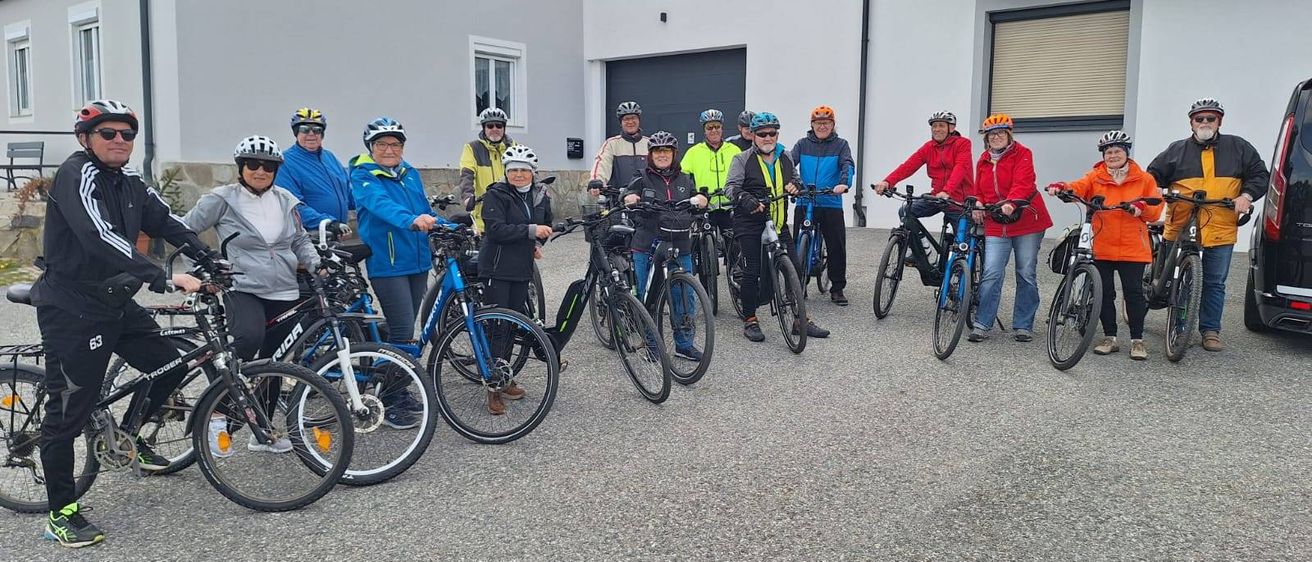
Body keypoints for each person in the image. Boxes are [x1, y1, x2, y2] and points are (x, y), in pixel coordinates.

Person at [31, 99, 214, 548]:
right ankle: (62, 512)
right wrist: (161, 275)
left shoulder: (130, 182)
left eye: (126, 135)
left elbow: (166, 220)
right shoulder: (78, 174)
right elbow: (98, 236)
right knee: (68, 413)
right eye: (107, 134)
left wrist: (209, 257)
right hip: (72, 307)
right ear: (84, 139)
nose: (118, 141)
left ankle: (127, 440)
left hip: (114, 300)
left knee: (171, 365)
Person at [1146, 97, 1269, 352]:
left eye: (1210, 118)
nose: (1204, 122)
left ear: (1219, 121)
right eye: (1199, 118)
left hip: (1220, 224)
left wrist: (1245, 196)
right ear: (1191, 122)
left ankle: (1210, 330)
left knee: (1214, 282)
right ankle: (1162, 305)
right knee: (1169, 277)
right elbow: (1151, 175)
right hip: (1181, 221)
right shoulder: (1176, 150)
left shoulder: (1239, 147)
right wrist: (1157, 189)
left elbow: (1260, 175)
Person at [1046, 131, 1164, 360]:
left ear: (1126, 153)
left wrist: (1141, 207)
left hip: (1133, 247)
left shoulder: (1144, 179)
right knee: (1104, 293)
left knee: (1134, 294)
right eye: (1108, 152)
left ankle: (1137, 340)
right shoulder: (1096, 176)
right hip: (1103, 244)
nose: (1112, 155)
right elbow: (1078, 187)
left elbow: (1155, 210)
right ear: (1103, 155)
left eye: (1117, 151)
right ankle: (1110, 337)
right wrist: (1061, 187)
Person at [724, 111, 830, 343]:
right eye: (762, 134)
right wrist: (746, 199)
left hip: (778, 223)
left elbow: (795, 178)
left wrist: (796, 185)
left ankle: (799, 319)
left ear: (777, 134)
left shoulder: (785, 156)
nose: (767, 137)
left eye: (772, 133)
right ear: (753, 135)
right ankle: (750, 319)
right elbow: (730, 187)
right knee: (752, 272)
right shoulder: (742, 159)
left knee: (795, 267)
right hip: (750, 224)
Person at [349, 117, 436, 362]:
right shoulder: (363, 175)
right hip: (389, 263)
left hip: (417, 261)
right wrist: (411, 220)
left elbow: (425, 209)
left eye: (395, 144)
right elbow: (381, 204)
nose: (389, 150)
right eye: (381, 144)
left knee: (404, 327)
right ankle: (393, 392)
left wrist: (449, 225)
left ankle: (381, 376)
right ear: (371, 147)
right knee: (403, 331)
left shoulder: (409, 173)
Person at [478, 145, 551, 415]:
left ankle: (504, 377)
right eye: (514, 170)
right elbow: (495, 230)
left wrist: (537, 240)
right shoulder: (496, 194)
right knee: (497, 328)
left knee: (512, 327)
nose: (519, 175)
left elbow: (546, 223)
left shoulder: (538, 195)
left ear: (533, 173)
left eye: (524, 170)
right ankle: (492, 389)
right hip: (497, 269)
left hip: (522, 269)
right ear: (506, 172)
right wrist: (531, 231)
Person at [968, 113, 1053, 343]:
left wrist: (1011, 202)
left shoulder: (1023, 154)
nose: (995, 137)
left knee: (1025, 272)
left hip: (1026, 219)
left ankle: (1023, 325)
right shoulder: (983, 159)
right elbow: (980, 189)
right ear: (986, 139)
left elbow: (1023, 183)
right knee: (992, 272)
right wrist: (977, 202)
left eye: (1000, 133)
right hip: (997, 221)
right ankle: (982, 323)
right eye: (991, 134)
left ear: (1008, 135)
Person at [624, 131, 709, 360]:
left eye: (666, 151)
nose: (662, 155)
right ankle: (652, 345)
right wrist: (631, 198)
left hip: (680, 243)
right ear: (651, 155)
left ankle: (684, 345)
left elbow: (697, 198)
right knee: (648, 296)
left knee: (684, 296)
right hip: (648, 245)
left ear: (674, 154)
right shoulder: (642, 176)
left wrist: (701, 199)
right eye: (658, 151)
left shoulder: (684, 178)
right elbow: (629, 193)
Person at [789, 105, 855, 305]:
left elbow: (847, 165)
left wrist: (844, 184)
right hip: (805, 199)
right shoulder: (802, 144)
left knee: (836, 245)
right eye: (818, 123)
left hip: (830, 200)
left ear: (833, 125)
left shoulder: (841, 145)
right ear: (812, 125)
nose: (822, 126)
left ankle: (837, 287)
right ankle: (798, 284)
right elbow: (789, 164)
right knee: (797, 243)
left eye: (826, 123)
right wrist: (790, 183)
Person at [873, 111, 974, 239]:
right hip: (937, 197)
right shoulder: (929, 147)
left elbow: (960, 168)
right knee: (906, 211)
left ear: (952, 128)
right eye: (934, 126)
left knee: (961, 249)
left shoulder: (962, 144)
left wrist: (947, 191)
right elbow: (908, 166)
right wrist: (887, 182)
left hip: (959, 202)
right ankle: (921, 249)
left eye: (941, 126)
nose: (937, 129)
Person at [275, 107, 353, 236]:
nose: (311, 134)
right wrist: (327, 222)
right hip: (308, 237)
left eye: (317, 130)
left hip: (336, 234)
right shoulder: (285, 162)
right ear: (296, 133)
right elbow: (292, 205)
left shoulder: (330, 157)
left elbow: (349, 195)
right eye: (304, 129)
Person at [680, 109, 740, 237]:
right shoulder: (694, 152)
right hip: (705, 205)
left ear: (722, 128)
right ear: (704, 130)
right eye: (709, 127)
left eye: (717, 126)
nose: (714, 130)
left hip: (729, 205)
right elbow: (682, 176)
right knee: (702, 244)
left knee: (734, 246)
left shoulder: (734, 150)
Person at [460, 107, 517, 231]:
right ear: (484, 128)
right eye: (490, 126)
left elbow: (527, 172)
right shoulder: (472, 148)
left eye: (499, 125)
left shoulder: (514, 147)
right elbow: (467, 174)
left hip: (511, 211)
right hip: (484, 212)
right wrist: (468, 196)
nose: (495, 129)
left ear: (504, 128)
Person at [588, 101, 649, 196]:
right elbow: (602, 162)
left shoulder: (649, 143)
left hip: (646, 198)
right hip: (619, 198)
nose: (630, 122)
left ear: (639, 120)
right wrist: (596, 180)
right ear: (621, 123)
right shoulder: (612, 144)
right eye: (626, 119)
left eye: (633, 118)